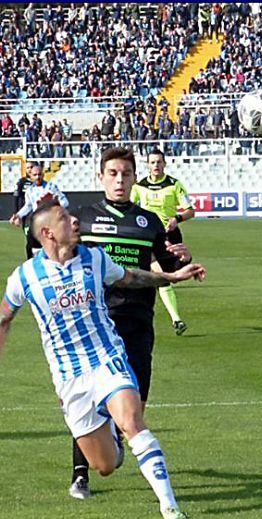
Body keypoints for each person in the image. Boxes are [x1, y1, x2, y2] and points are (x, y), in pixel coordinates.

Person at [0, 195, 206, 519]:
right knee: (106, 465)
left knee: (133, 422)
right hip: (70, 377)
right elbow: (2, 321)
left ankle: (169, 506)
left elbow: (130, 277)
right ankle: (110, 436)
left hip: (108, 358)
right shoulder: (24, 278)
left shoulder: (95, 259)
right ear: (47, 235)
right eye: (63, 219)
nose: (74, 221)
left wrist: (172, 277)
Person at [67, 146, 193, 501]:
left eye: (125, 174)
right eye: (113, 174)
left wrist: (183, 257)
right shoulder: (83, 219)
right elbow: (55, 252)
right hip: (94, 321)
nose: (119, 180)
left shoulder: (148, 222)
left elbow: (167, 265)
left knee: (136, 394)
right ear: (101, 177)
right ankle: (79, 474)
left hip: (138, 318)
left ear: (134, 177)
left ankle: (117, 436)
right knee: (88, 398)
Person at [131, 147, 196, 335]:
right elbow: (129, 206)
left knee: (167, 276)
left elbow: (190, 210)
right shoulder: (139, 186)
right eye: (152, 162)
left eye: (159, 162)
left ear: (164, 164)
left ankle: (172, 317)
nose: (156, 166)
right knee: (160, 276)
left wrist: (177, 218)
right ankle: (176, 319)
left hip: (170, 236)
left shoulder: (175, 185)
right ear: (147, 165)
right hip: (149, 236)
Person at [9, 162, 68, 259]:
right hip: (37, 222)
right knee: (30, 247)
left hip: (50, 223)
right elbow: (28, 206)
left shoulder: (51, 187)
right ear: (30, 176)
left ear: (43, 175)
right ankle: (32, 266)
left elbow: (65, 202)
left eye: (39, 174)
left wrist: (55, 205)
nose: (37, 177)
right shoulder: (30, 191)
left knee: (51, 248)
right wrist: (18, 215)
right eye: (35, 175)